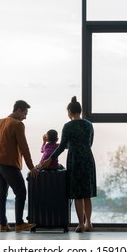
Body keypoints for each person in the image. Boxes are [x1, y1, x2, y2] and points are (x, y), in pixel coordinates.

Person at [41, 96, 97, 233]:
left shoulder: (68, 126)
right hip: (88, 158)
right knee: (87, 193)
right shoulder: (89, 125)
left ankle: (80, 224)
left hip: (75, 159)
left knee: (77, 193)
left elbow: (61, 147)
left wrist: (50, 159)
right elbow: (90, 143)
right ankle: (88, 222)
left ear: (70, 112)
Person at [0, 100, 39, 233]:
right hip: (9, 164)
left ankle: (3, 225)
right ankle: (19, 223)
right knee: (21, 192)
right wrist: (31, 166)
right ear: (19, 110)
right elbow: (24, 147)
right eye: (25, 113)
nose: (25, 117)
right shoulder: (17, 125)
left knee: (1, 193)